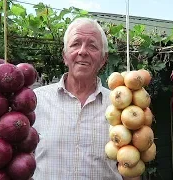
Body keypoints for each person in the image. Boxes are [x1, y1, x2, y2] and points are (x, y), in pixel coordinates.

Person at [32, 17, 141, 180]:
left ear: (103, 59)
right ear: (64, 55)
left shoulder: (121, 108)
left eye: (92, 46)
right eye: (75, 44)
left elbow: (131, 170)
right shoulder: (36, 102)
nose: (83, 51)